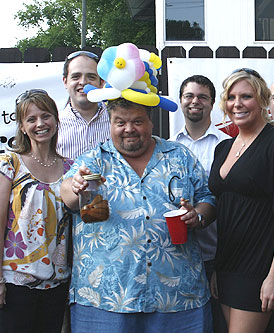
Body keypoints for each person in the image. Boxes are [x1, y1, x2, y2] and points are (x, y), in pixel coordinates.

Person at [60, 97, 216, 332]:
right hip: (104, 300)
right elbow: (68, 194)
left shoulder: (180, 156)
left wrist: (198, 216)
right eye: (120, 122)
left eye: (137, 121)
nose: (129, 129)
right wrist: (75, 186)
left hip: (178, 297)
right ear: (110, 124)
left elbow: (207, 198)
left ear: (151, 123)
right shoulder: (93, 160)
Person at [208, 68, 274, 332]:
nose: (237, 104)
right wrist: (218, 267)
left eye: (246, 96)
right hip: (227, 265)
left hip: (259, 267)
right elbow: (225, 210)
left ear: (263, 100)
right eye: (231, 97)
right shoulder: (224, 148)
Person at [0, 90, 73, 332]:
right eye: (31, 119)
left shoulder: (71, 168)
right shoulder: (10, 164)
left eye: (46, 116)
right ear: (21, 126)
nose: (40, 124)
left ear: (56, 120)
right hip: (15, 283)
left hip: (58, 284)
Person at [172, 74, 230, 333]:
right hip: (178, 255)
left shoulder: (226, 146)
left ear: (213, 103)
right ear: (181, 101)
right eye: (189, 96)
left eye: (202, 97)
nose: (195, 101)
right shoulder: (169, 147)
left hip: (216, 254)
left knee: (217, 324)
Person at [57, 51, 110, 159]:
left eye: (91, 77)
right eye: (76, 76)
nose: (83, 82)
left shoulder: (117, 121)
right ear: (65, 82)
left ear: (101, 82)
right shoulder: (54, 125)